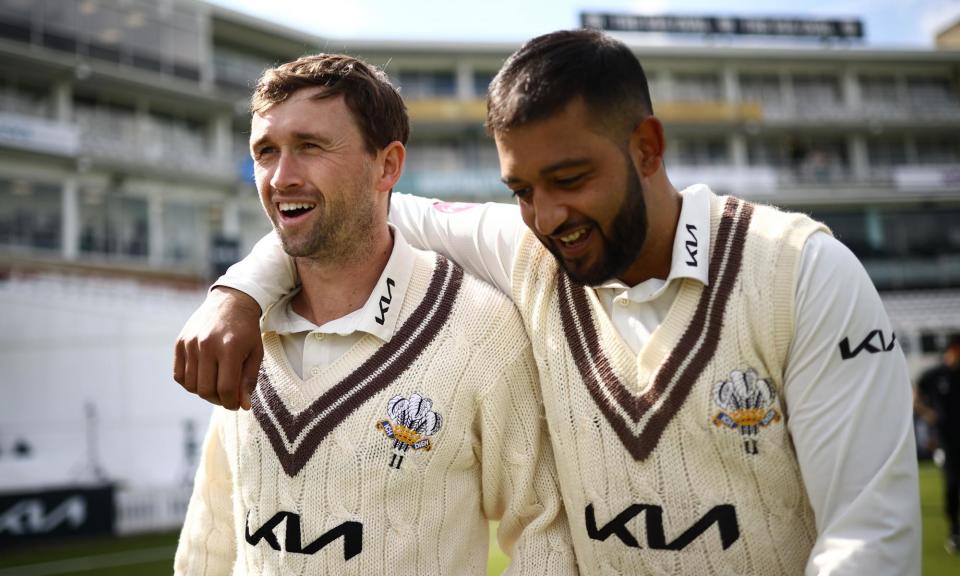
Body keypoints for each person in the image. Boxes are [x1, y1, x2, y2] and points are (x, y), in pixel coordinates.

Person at [175, 30, 921, 574]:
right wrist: (238, 293)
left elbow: (870, 541)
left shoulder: (802, 271)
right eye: (522, 191)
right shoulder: (534, 248)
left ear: (648, 148)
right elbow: (346, 212)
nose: (548, 214)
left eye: (571, 177)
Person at [173, 53, 577, 575]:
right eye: (265, 151)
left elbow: (544, 534)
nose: (281, 177)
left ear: (387, 165)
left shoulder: (484, 330)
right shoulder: (244, 333)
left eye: (311, 147)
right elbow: (211, 538)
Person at [916, 335, 960, 554]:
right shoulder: (935, 375)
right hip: (948, 441)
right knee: (952, 486)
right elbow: (916, 394)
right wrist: (928, 415)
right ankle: (955, 531)